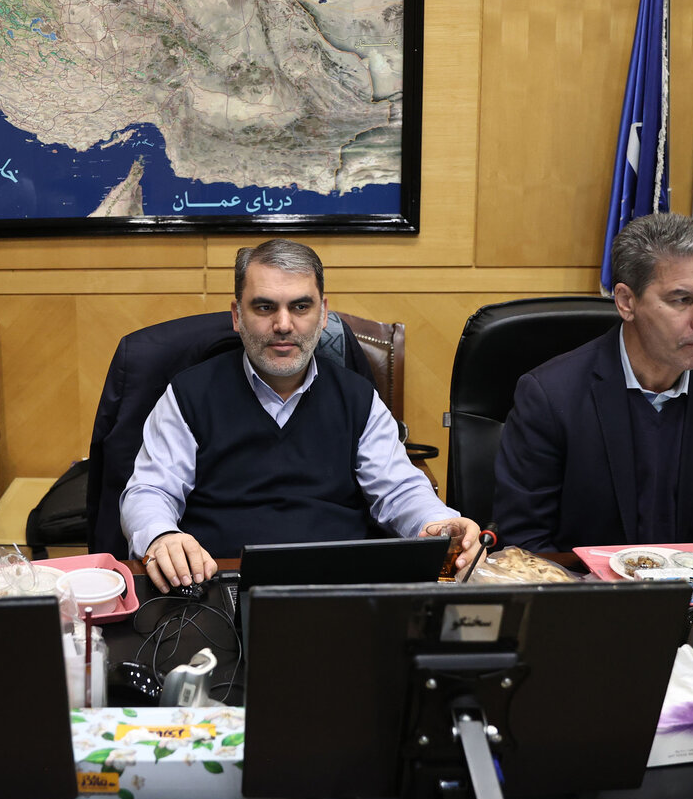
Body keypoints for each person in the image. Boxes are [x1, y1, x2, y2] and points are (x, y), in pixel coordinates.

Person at [120, 238, 480, 592]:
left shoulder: (357, 397)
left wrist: (439, 523)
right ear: (237, 316)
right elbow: (151, 490)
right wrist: (162, 536)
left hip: (339, 586)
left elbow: (399, 490)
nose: (283, 324)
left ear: (323, 314)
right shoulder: (188, 394)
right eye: (264, 307)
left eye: (300, 307)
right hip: (218, 584)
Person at [493, 212, 693, 552]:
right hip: (585, 586)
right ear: (626, 302)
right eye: (682, 300)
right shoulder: (550, 395)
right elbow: (524, 543)